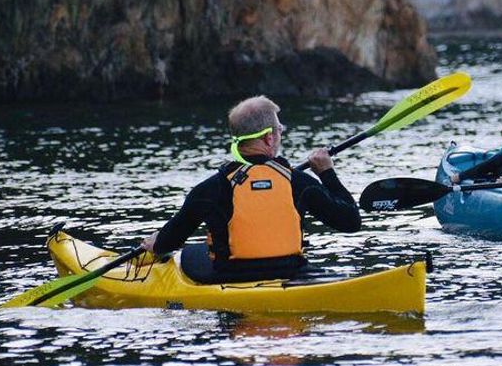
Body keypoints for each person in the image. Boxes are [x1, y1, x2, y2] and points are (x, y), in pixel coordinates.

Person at [142, 95, 360, 282]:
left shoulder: (209, 189)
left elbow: (171, 240)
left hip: (231, 278)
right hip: (290, 273)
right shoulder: (298, 182)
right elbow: (351, 222)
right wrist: (326, 173)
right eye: (280, 130)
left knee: (188, 253)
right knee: (193, 252)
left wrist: (157, 243)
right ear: (269, 137)